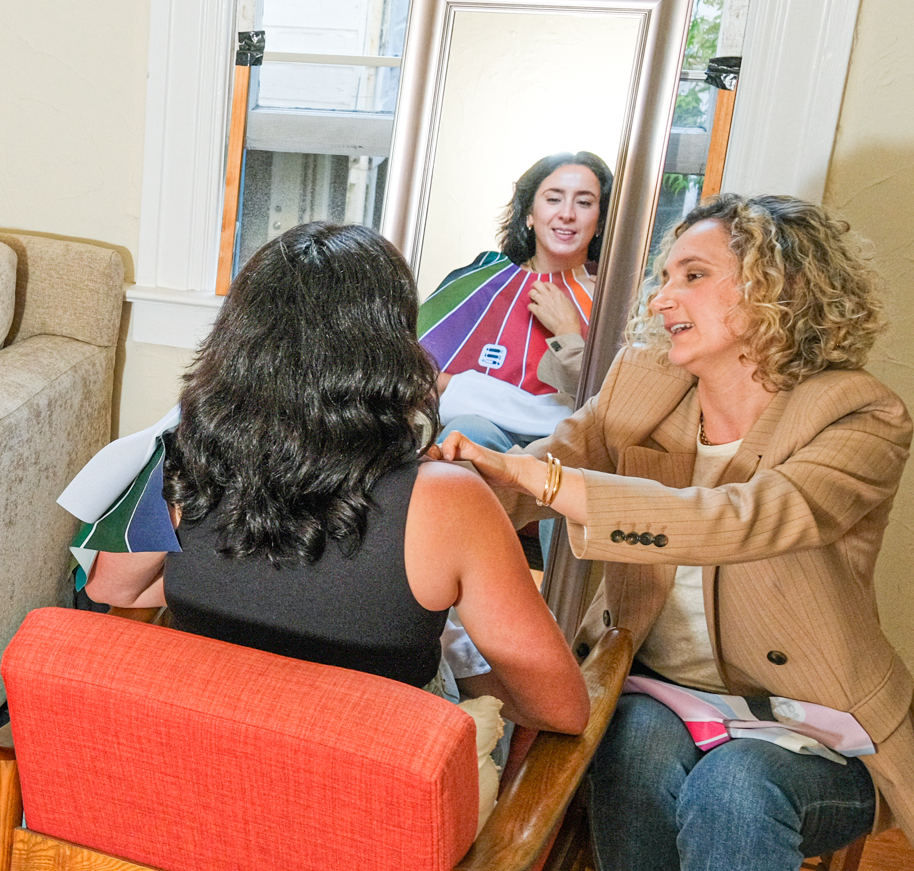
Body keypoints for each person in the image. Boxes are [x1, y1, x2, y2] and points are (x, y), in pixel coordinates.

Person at [440, 193, 914, 871]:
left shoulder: (858, 414)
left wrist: (545, 487)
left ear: (777, 286)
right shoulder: (641, 382)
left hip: (812, 729)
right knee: (623, 731)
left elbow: (751, 516)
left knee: (736, 785)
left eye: (692, 274)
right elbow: (559, 454)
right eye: (665, 275)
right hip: (663, 696)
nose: (662, 296)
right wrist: (476, 480)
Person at [83, 221, 588, 738]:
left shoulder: (187, 459)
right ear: (390, 349)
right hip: (365, 793)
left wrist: (237, 585)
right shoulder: (447, 499)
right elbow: (560, 710)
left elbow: (114, 585)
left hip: (204, 768)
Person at [422, 152, 610, 451]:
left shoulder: (614, 299)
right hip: (468, 447)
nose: (567, 214)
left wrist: (566, 330)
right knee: (467, 433)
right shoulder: (479, 281)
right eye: (553, 199)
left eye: (584, 202)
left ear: (601, 222)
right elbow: (415, 379)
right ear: (529, 214)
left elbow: (612, 408)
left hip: (567, 456)